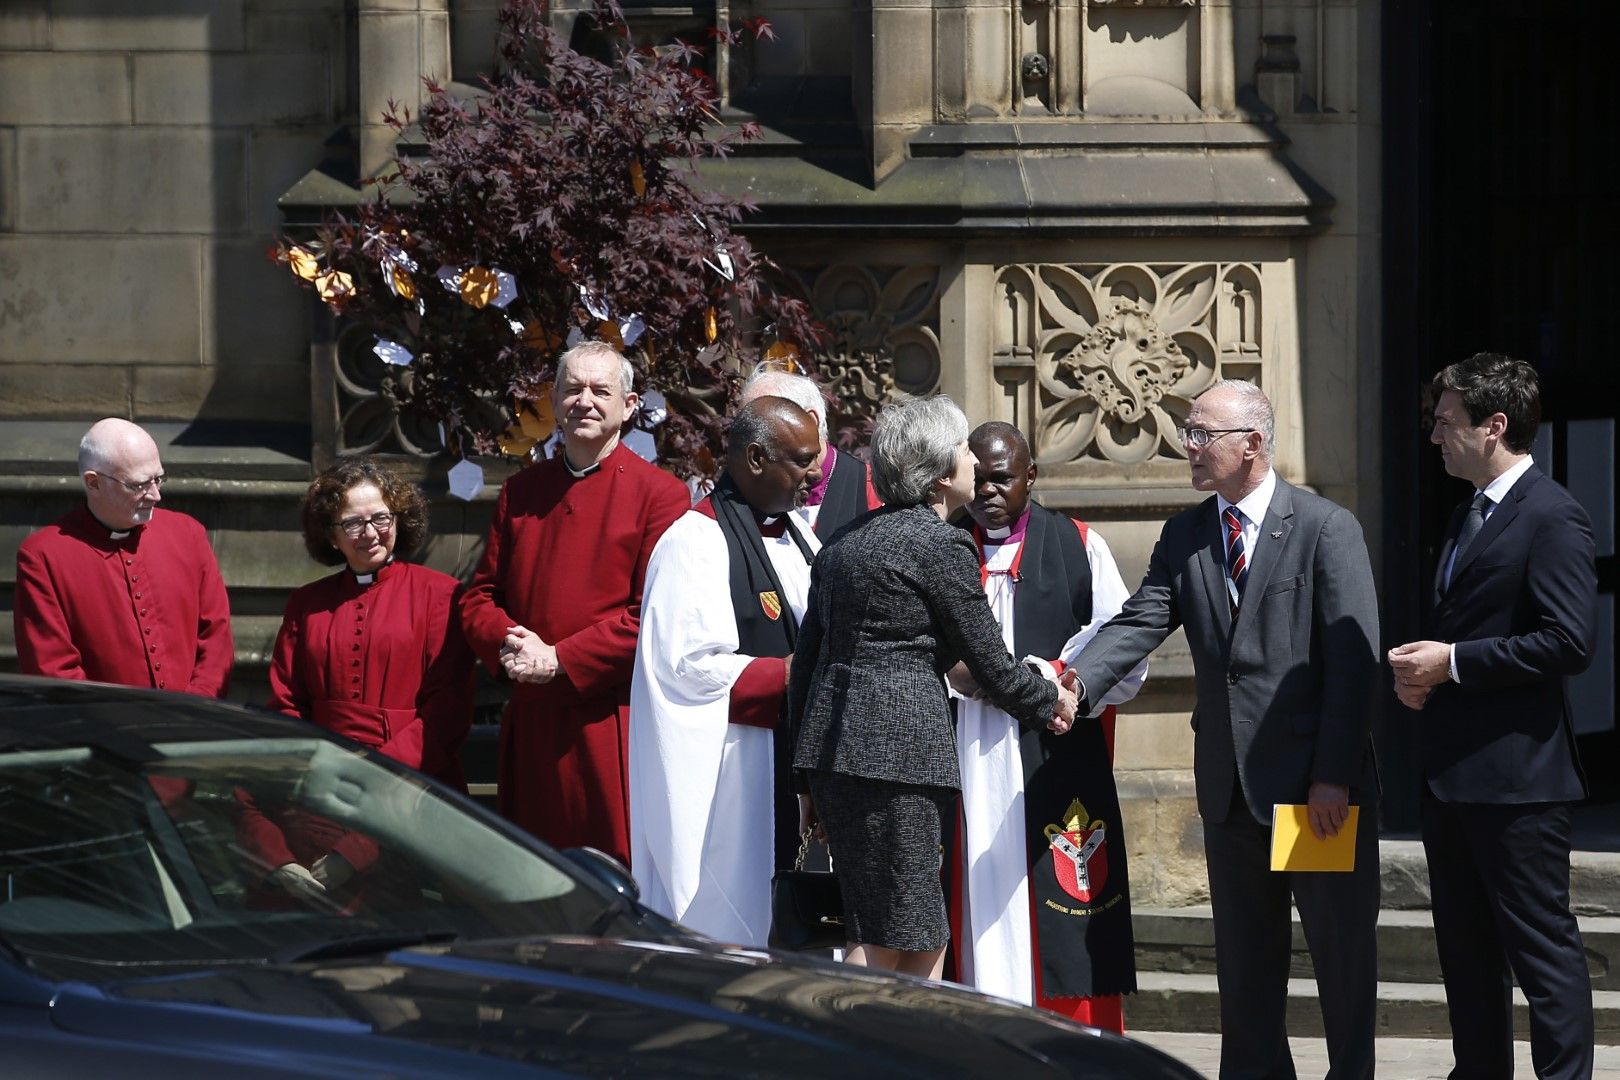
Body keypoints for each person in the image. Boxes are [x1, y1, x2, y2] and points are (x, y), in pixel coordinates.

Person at [1067, 380, 1381, 1079]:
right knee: (1245, 970)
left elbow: (1354, 668)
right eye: (1189, 430)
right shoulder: (1186, 534)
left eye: (1203, 433)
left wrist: (1334, 775)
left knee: (1341, 960)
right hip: (1230, 793)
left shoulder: (1327, 528)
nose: (1189, 445)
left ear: (1253, 445)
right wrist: (1076, 684)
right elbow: (1142, 621)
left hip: (1313, 796)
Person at [787, 395, 1078, 980]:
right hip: (901, 760)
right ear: (943, 473)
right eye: (965, 448)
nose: (974, 458)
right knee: (913, 935)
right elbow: (990, 661)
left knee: (880, 922)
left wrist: (805, 782)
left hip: (835, 758)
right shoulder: (940, 544)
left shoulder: (844, 543)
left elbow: (807, 668)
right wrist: (1052, 701)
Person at [1389, 353, 1595, 1080]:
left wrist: (1453, 663)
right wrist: (1427, 679)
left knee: (1542, 954)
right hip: (1453, 778)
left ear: (1494, 425)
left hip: (1521, 786)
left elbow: (1570, 641)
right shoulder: (1466, 513)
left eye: (1445, 423)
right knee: (1466, 957)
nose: (1434, 436)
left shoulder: (1552, 515)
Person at [947, 421, 1147, 1031]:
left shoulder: (1078, 545)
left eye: (1001, 478)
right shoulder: (938, 545)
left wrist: (1051, 674)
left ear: (1031, 477)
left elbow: (1124, 654)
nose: (986, 491)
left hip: (1055, 765)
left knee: (1062, 918)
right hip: (962, 760)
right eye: (975, 478)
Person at [460, 340, 690, 865]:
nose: (584, 400)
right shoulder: (521, 492)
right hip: (532, 720)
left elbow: (652, 616)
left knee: (612, 878)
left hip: (607, 721)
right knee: (533, 878)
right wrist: (513, 644)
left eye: (600, 390)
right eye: (572, 389)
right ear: (555, 400)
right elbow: (479, 598)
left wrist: (561, 659)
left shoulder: (661, 496)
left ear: (629, 407)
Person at [629, 397, 824, 946]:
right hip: (738, 769)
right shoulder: (692, 542)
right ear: (757, 458)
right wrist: (788, 672)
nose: (815, 473)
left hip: (794, 762)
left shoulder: (803, 537)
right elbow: (683, 669)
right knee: (735, 931)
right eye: (804, 459)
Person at [14, 418, 232, 696]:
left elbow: (216, 636)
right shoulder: (42, 557)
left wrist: (193, 709)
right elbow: (52, 667)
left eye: (158, 478)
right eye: (138, 485)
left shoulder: (188, 534)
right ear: (93, 483)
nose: (155, 495)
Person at [738, 363, 880, 538]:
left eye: (761, 426)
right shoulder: (744, 491)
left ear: (810, 421)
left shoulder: (872, 489)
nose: (747, 442)